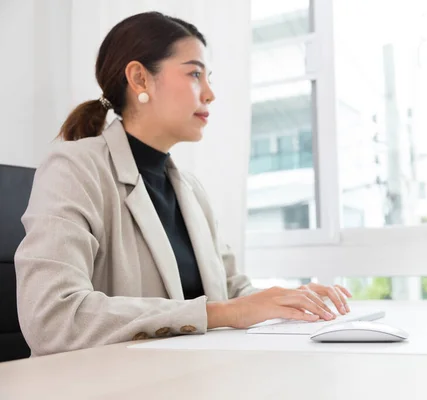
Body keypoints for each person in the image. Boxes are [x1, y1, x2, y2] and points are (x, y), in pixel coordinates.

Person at [14, 11, 352, 357]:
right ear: (140, 79)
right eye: (194, 74)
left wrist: (293, 303)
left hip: (189, 377)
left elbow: (234, 292)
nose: (209, 94)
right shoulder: (74, 168)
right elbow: (52, 318)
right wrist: (220, 313)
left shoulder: (190, 189)